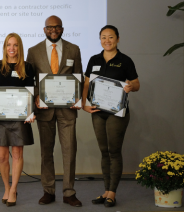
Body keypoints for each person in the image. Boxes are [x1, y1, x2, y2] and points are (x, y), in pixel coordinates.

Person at [26, 15, 83, 207]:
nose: (53, 30)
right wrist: (36, 97)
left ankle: (69, 192)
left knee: (69, 151)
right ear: (44, 29)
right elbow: (30, 80)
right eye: (50, 27)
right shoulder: (33, 51)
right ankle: (48, 191)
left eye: (57, 27)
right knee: (46, 152)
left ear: (62, 29)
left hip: (68, 110)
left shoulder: (74, 49)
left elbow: (79, 77)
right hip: (45, 110)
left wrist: (78, 98)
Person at [83, 25, 140, 207]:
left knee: (114, 151)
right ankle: (106, 190)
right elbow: (86, 84)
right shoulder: (94, 59)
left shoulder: (125, 60)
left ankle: (112, 193)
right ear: (100, 39)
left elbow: (137, 84)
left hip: (117, 112)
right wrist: (84, 104)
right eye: (103, 37)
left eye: (111, 37)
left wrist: (131, 86)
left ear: (117, 38)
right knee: (104, 151)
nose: (107, 40)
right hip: (98, 112)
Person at [0, 33, 35, 207]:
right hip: (1, 118)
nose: (12, 48)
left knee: (17, 154)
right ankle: (6, 187)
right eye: (9, 45)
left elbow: (31, 91)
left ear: (20, 47)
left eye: (15, 45)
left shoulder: (28, 67)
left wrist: (31, 112)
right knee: (1, 156)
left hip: (20, 118)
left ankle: (14, 189)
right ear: (4, 47)